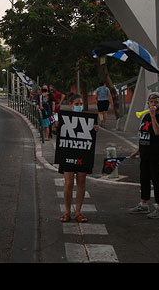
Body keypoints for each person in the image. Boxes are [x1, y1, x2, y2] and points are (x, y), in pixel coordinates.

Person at [59, 92, 100, 223]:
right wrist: (55, 125)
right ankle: (66, 212)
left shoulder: (88, 118)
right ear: (70, 105)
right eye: (77, 104)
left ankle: (78, 212)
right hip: (68, 153)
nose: (79, 106)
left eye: (81, 104)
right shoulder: (64, 117)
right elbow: (54, 127)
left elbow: (93, 132)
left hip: (83, 153)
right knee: (69, 182)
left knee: (81, 182)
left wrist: (96, 128)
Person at [129, 92, 159, 219]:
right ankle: (143, 204)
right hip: (145, 153)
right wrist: (139, 150)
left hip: (157, 154)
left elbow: (157, 132)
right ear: (148, 103)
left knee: (157, 180)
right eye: (151, 102)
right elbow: (144, 134)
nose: (153, 104)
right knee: (144, 179)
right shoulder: (145, 117)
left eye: (156, 102)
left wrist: (153, 117)